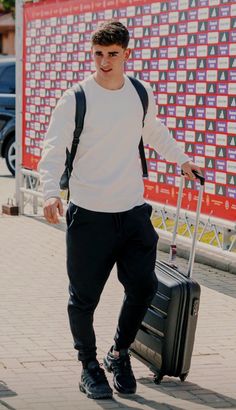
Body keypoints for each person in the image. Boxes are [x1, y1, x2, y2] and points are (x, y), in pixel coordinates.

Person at [39, 20, 201, 400]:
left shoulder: (140, 93)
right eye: (99, 54)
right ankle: (89, 366)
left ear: (128, 53)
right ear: (92, 53)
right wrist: (49, 192)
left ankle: (119, 353)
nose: (105, 61)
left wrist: (181, 160)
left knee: (143, 286)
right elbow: (53, 148)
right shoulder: (76, 98)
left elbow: (154, 130)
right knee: (84, 299)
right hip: (89, 215)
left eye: (113, 54)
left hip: (132, 212)